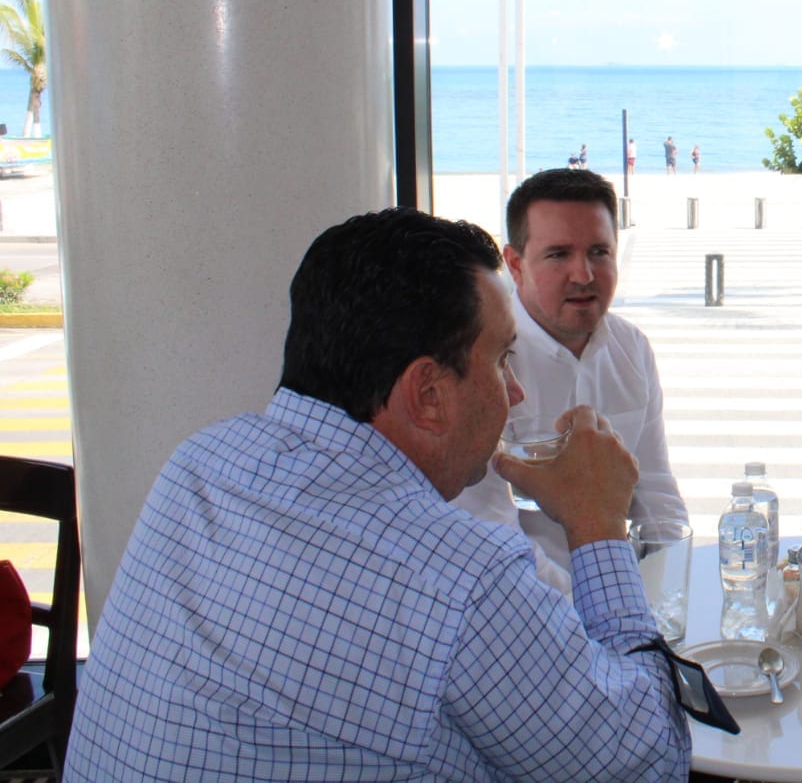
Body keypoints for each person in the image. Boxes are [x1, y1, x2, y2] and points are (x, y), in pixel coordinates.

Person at [65, 208, 690, 781]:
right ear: (428, 395)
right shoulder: (460, 580)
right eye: (502, 361)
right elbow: (645, 763)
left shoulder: (200, 462)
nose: (516, 393)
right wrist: (596, 525)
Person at [456, 169, 687, 586]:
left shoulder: (632, 348)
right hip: (527, 602)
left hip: (623, 594)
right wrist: (597, 602)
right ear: (515, 264)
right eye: (559, 254)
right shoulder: (480, 362)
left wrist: (669, 590)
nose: (583, 274)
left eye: (599, 252)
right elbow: (490, 528)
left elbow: (656, 496)